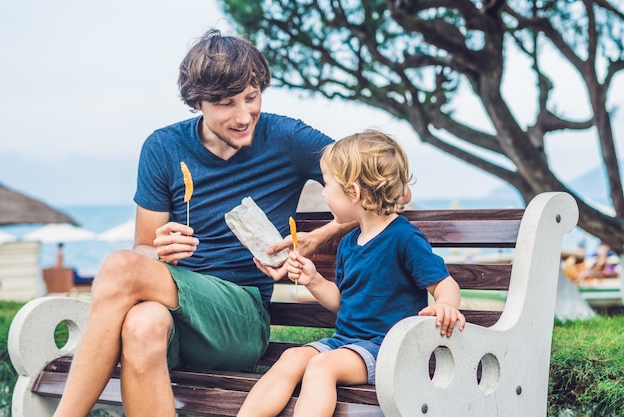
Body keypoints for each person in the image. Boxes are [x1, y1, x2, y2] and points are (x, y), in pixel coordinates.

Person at [52, 29, 350, 417]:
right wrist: (157, 249)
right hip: (178, 318)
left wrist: (321, 234)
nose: (244, 116)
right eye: (227, 103)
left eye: (252, 97)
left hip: (241, 319)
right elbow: (143, 247)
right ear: (197, 102)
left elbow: (383, 186)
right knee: (142, 323)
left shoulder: (288, 138)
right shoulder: (162, 148)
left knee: (120, 266)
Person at [237, 130, 466, 417]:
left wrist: (445, 304)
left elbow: (445, 284)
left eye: (328, 185)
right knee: (292, 358)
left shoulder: (404, 239)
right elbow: (341, 302)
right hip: (346, 342)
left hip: (387, 349)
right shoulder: (349, 242)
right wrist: (314, 279)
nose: (323, 192)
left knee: (322, 366)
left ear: (354, 193)